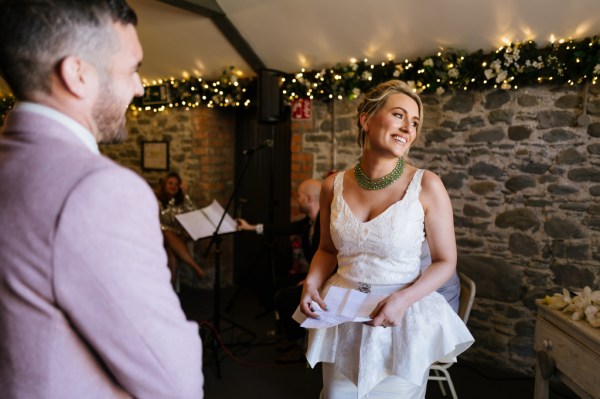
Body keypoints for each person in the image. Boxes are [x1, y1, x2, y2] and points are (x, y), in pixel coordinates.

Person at [0, 1, 203, 398]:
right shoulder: (99, 191)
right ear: (78, 74)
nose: (140, 87)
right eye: (132, 69)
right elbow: (174, 382)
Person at [299, 80, 473, 398]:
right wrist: (311, 281)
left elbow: (446, 261)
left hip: (400, 321)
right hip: (343, 319)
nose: (408, 127)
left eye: (415, 122)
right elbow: (326, 249)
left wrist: (402, 301)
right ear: (366, 119)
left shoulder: (427, 185)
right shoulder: (332, 186)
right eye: (399, 115)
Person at [238, 178, 322, 363]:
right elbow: (283, 229)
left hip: (325, 281)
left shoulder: (326, 224)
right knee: (280, 284)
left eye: (298, 196)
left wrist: (311, 282)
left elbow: (335, 262)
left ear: (308, 199)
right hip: (314, 278)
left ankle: (296, 345)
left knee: (283, 296)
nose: (296, 200)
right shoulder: (309, 222)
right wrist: (251, 227)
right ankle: (289, 334)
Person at [157, 171, 207, 280]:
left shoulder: (181, 201)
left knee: (171, 254)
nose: (173, 186)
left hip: (177, 239)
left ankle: (170, 290)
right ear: (164, 184)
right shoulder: (157, 200)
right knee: (167, 232)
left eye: (176, 184)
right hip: (159, 237)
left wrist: (186, 195)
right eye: (170, 183)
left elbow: (195, 214)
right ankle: (197, 268)